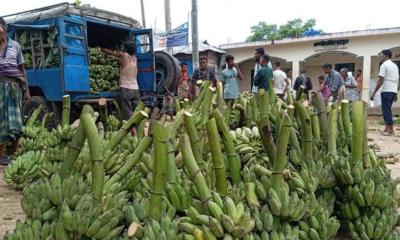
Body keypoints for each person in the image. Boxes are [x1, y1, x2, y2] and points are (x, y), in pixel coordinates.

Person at [0, 17, 30, 165]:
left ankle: (14, 153)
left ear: (3, 29)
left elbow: (22, 69)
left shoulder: (16, 46)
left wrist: (27, 91)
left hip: (14, 88)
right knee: (0, 121)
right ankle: (1, 155)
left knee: (16, 122)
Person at [101, 42, 139, 121]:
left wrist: (101, 49)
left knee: (127, 113)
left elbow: (111, 53)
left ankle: (132, 132)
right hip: (135, 89)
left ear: (126, 50)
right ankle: (138, 130)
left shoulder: (124, 55)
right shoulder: (135, 59)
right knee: (136, 112)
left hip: (126, 89)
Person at [371, 49, 399, 136]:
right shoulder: (394, 65)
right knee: (388, 109)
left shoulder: (384, 65)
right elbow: (397, 80)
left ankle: (391, 131)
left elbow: (380, 79)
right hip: (392, 90)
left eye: (381, 55)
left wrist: (374, 92)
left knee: (386, 110)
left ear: (386, 56)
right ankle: (387, 128)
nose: (380, 57)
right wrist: (396, 92)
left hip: (386, 90)